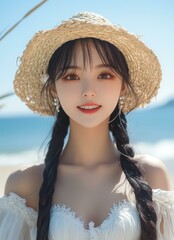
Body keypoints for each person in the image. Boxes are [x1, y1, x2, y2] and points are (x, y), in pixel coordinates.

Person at [0, 12, 173, 240]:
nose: (88, 90)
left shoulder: (151, 175)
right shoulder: (25, 184)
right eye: (71, 76)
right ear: (53, 87)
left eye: (104, 75)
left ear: (122, 85)